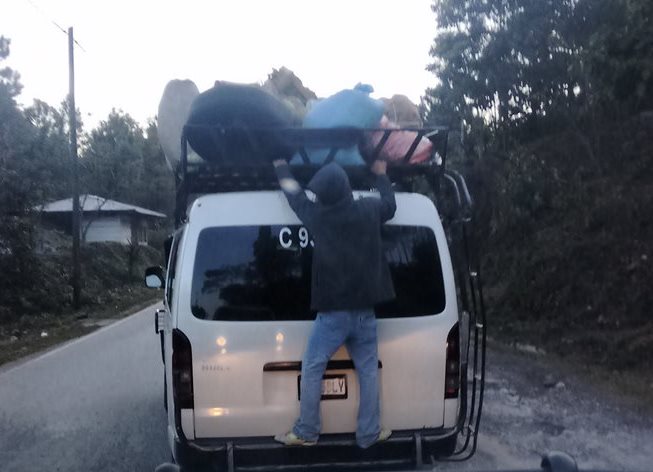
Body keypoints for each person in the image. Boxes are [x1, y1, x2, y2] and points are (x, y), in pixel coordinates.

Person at [272, 158, 396, 449]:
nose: (316, 198)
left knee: (313, 367)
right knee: (367, 371)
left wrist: (281, 168)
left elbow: (295, 196)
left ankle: (307, 431)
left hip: (333, 317)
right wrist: (381, 175)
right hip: (365, 313)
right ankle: (368, 433)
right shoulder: (369, 209)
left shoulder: (319, 218)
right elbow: (390, 205)